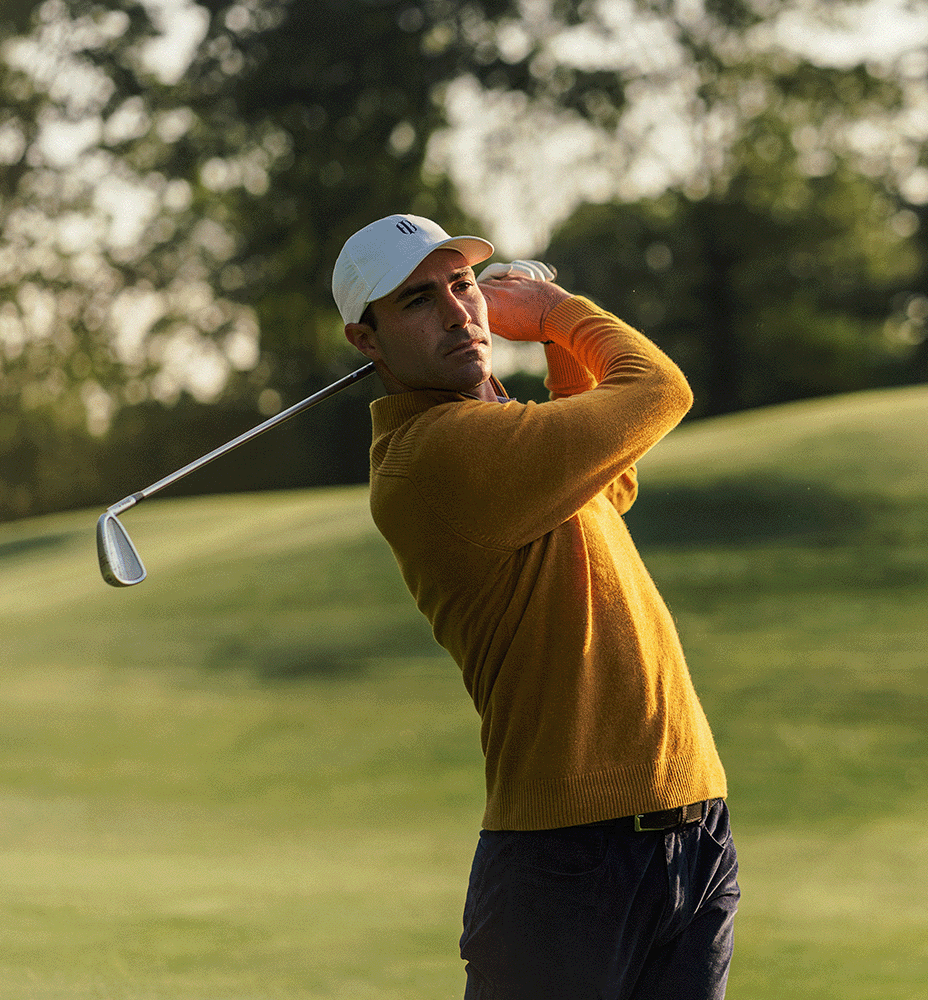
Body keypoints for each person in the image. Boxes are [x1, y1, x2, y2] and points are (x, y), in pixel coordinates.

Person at [333, 213, 739, 999]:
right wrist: (556, 315)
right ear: (367, 341)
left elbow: (610, 484)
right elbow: (660, 389)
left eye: (462, 287)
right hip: (568, 860)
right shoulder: (435, 455)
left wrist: (555, 352)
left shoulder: (502, 436)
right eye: (419, 301)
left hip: (693, 825)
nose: (459, 312)